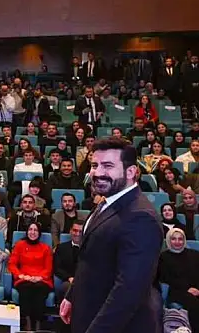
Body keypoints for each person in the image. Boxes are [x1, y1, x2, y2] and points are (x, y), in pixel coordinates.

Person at [60, 137, 163, 333]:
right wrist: (72, 296)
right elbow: (89, 259)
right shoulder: (106, 202)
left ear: (131, 172)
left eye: (107, 166)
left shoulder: (141, 217)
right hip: (88, 312)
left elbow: (129, 291)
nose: (97, 172)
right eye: (94, 165)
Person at [8, 222, 53, 331]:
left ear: (39, 233)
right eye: (30, 229)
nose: (32, 232)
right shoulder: (20, 245)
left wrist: (40, 277)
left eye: (35, 230)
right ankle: (27, 322)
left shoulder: (46, 248)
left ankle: (38, 323)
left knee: (39, 289)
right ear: (27, 232)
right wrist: (21, 276)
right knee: (26, 288)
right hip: (24, 278)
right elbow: (12, 264)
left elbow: (48, 268)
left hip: (41, 279)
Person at [158, 228, 199, 332]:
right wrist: (187, 289)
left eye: (180, 239)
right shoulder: (163, 257)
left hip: (196, 288)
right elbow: (165, 279)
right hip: (176, 291)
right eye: (174, 239)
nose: (177, 242)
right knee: (194, 304)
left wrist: (197, 289)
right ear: (168, 240)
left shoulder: (194, 254)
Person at [53, 220, 83, 303]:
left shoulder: (89, 248)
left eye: (80, 231)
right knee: (68, 287)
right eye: (75, 230)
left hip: (84, 281)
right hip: (67, 281)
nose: (77, 234)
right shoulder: (61, 248)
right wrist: (69, 278)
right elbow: (57, 268)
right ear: (70, 231)